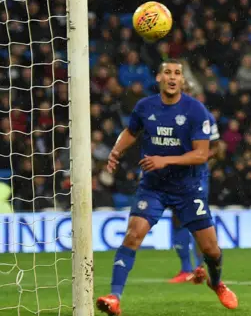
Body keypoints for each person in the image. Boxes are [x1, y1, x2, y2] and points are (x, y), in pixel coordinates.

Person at [96, 60, 238, 316]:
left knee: (210, 249)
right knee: (133, 235)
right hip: (153, 187)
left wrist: (165, 160)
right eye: (167, 73)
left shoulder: (196, 111)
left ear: (182, 80)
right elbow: (131, 131)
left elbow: (201, 154)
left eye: (177, 73)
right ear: (159, 78)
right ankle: (114, 297)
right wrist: (116, 150)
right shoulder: (144, 107)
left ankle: (215, 283)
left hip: (188, 187)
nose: (172, 77)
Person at [168, 82, 221, 284]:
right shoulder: (169, 116)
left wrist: (200, 157)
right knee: (177, 218)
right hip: (174, 175)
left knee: (198, 221)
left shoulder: (204, 116)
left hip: (196, 176)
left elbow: (217, 147)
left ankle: (199, 268)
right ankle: (185, 268)